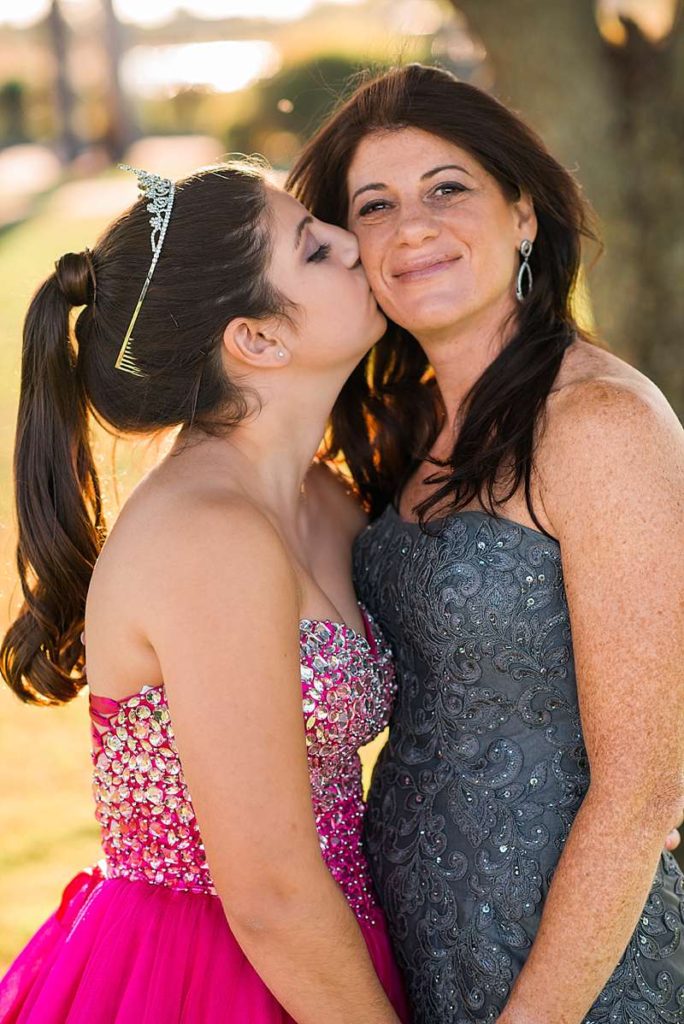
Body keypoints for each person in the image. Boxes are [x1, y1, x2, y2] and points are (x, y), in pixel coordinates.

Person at [287, 63, 684, 1023]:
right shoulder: (405, 424)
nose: (411, 227)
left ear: (524, 214)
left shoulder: (598, 423)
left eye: (447, 188)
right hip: (417, 937)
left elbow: (644, 792)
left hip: (581, 967)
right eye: (373, 206)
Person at [0, 162, 409, 1023]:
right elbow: (266, 890)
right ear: (257, 340)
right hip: (209, 970)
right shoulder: (205, 537)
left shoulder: (325, 499)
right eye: (314, 246)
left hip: (327, 950)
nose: (352, 241)